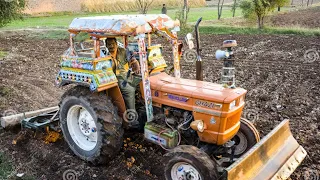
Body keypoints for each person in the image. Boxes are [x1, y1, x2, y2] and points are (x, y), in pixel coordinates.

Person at [105, 38, 141, 110]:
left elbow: (133, 59)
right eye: (109, 44)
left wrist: (137, 66)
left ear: (116, 44)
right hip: (116, 78)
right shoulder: (105, 57)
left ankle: (141, 107)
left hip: (127, 75)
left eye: (113, 44)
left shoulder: (123, 51)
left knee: (142, 83)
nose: (111, 46)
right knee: (130, 90)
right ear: (106, 45)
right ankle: (131, 114)